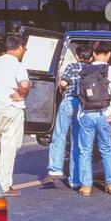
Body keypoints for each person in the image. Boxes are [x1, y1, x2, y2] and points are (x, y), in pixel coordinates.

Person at [73, 42, 111, 196]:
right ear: (109, 54)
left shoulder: (83, 70)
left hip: (86, 114)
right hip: (104, 113)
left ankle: (86, 186)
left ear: (94, 54)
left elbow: (79, 93)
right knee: (106, 149)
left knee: (85, 151)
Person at [0, 34, 31, 196]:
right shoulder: (18, 65)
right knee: (9, 147)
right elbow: (25, 84)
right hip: (13, 109)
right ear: (19, 47)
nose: (24, 51)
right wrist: (22, 94)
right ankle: (4, 185)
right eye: (24, 48)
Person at [44, 45, 91, 185]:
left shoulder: (72, 66)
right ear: (91, 57)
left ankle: (55, 169)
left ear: (77, 56)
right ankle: (75, 179)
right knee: (77, 140)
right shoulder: (93, 69)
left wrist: (61, 86)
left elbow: (63, 83)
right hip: (84, 106)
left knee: (60, 134)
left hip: (69, 102)